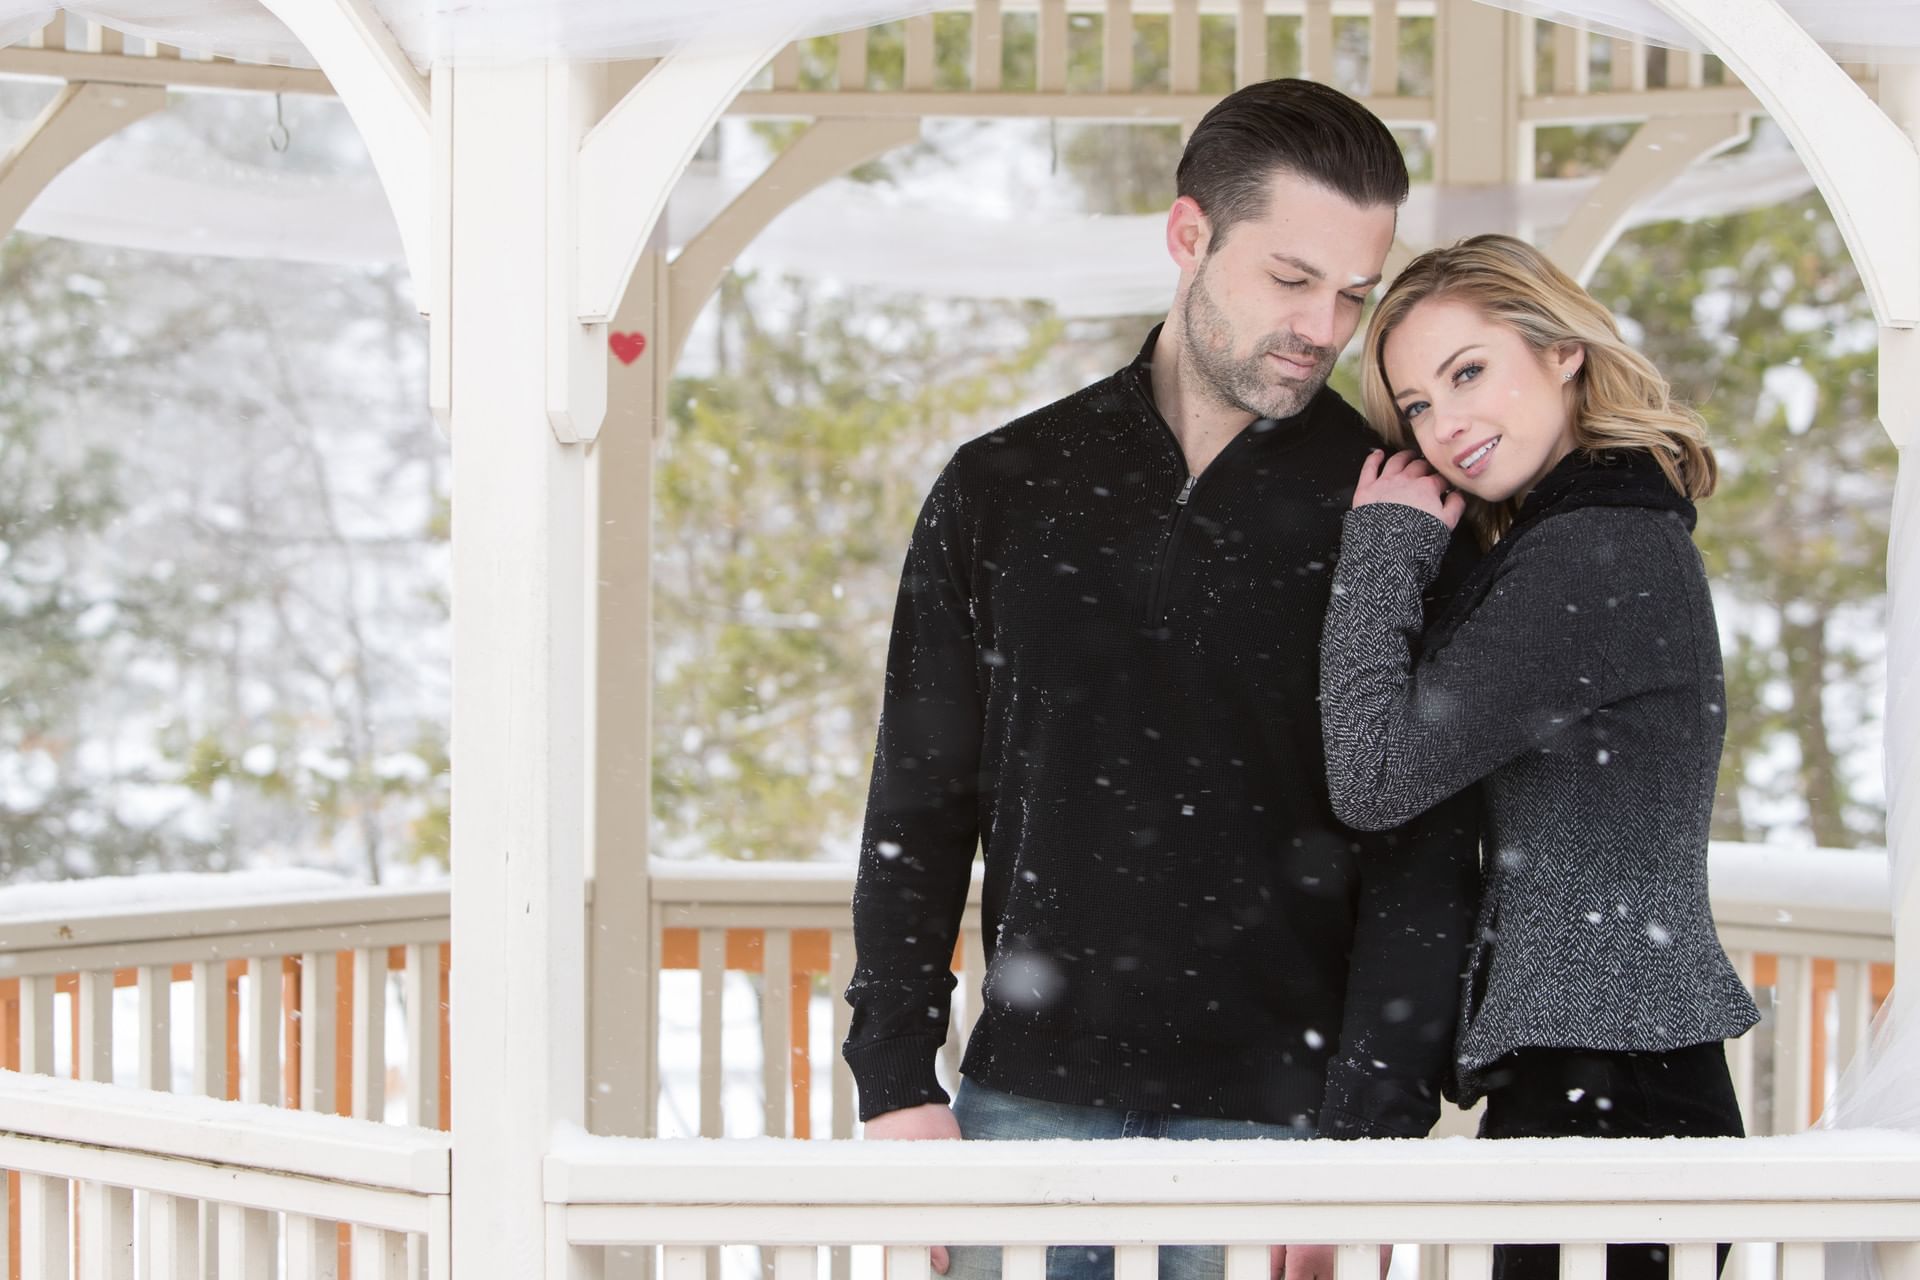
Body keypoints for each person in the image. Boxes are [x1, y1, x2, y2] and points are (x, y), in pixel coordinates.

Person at [843, 78, 1481, 1280]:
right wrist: (893, 1076)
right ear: (1189, 236)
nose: (1324, 325)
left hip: (1280, 1133)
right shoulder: (1004, 486)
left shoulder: (1392, 510)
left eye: (1355, 292)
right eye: (1291, 278)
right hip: (1022, 1111)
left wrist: (1366, 1141)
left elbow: (1427, 856)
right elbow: (920, 800)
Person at [1319, 233, 1763, 1280]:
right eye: (1419, 403)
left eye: (1468, 371)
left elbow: (1375, 776)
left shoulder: (1592, 552)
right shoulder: (1609, 532)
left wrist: (1382, 546)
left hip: (1613, 1092)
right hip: (1609, 1075)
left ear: (1562, 349)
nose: (1447, 423)